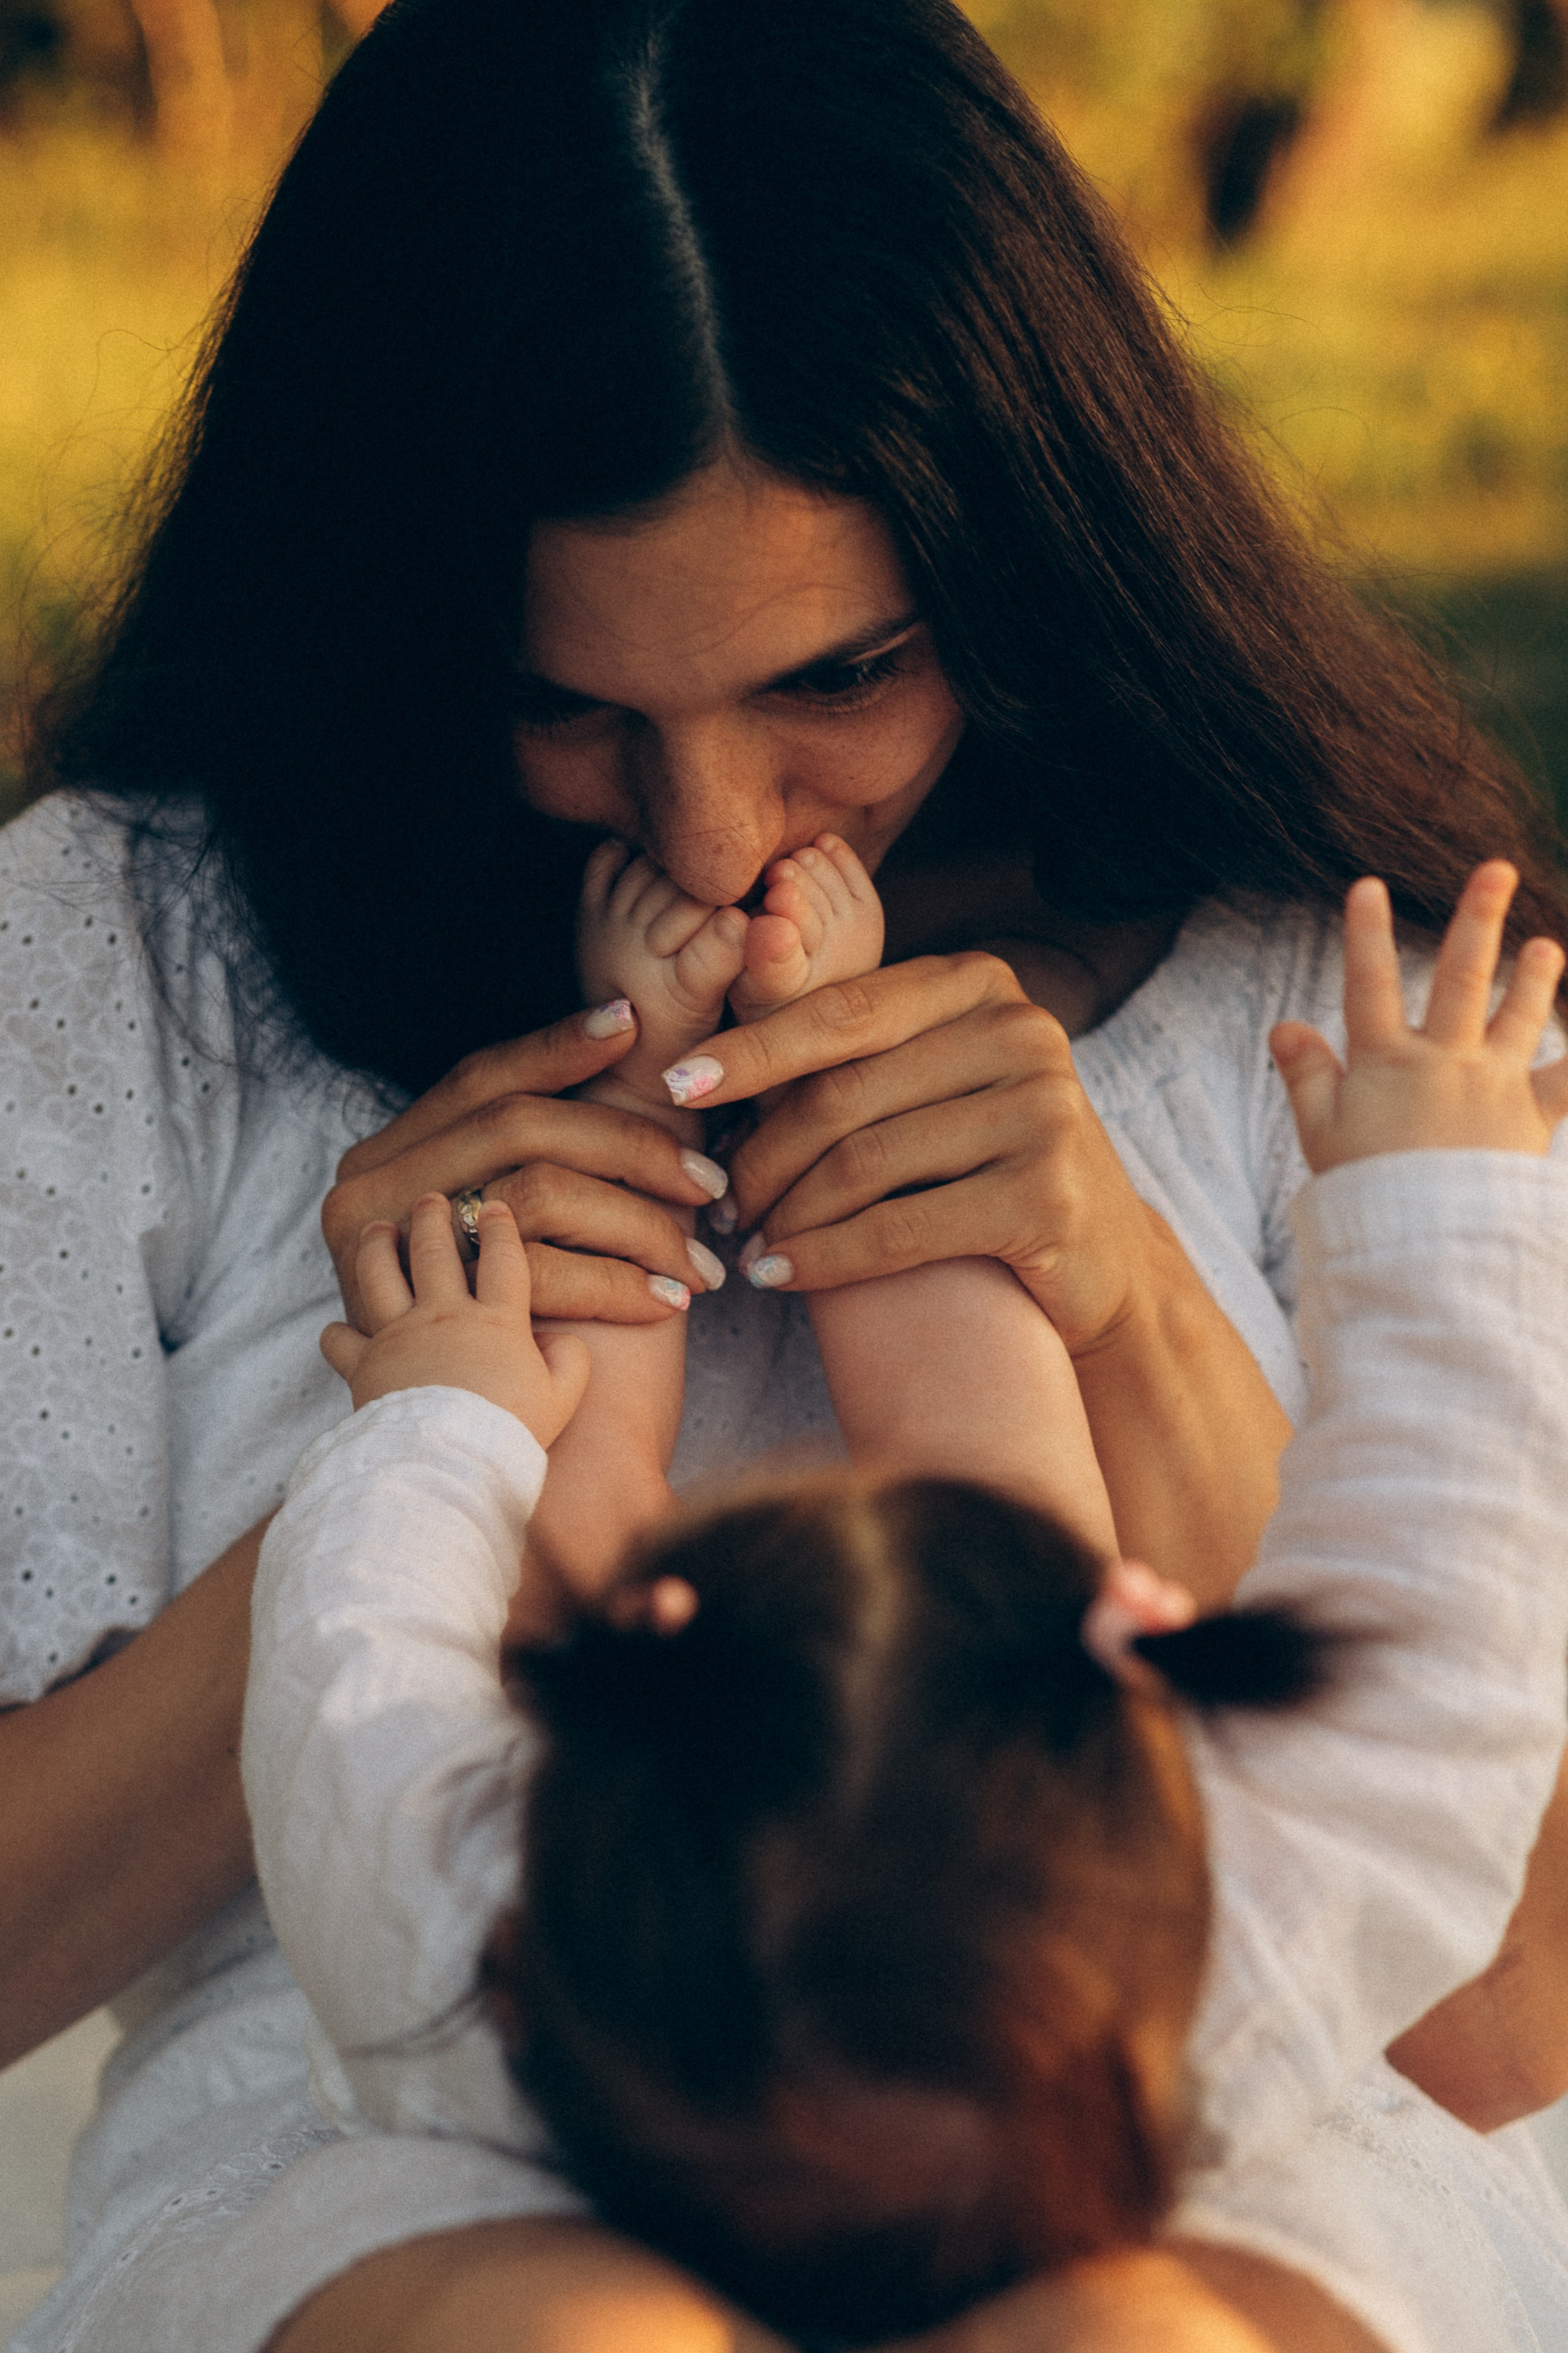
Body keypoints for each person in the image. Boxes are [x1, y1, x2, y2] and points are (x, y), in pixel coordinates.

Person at [5, 0, 1568, 2344]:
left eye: (837, 678)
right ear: (409, 620)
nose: (718, 835)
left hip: (1178, 2115)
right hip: (406, 2114)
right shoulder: (113, 952)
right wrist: (435, 1418)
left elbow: (1501, 2008)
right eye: (573, 708)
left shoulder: (1325, 990)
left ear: (1030, 567)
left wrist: (1120, 1288)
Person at [241, 863, 1568, 2353]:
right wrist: (1444, 1203)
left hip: (586, 2270)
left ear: (613, 1683)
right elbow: (1450, 1643)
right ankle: (842, 1081)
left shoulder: (504, 1966)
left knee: (590, 1474)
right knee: (972, 1456)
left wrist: (446, 1399)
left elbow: (347, 1660)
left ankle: (699, 1108)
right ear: (1134, 1646)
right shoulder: (1211, 1974)